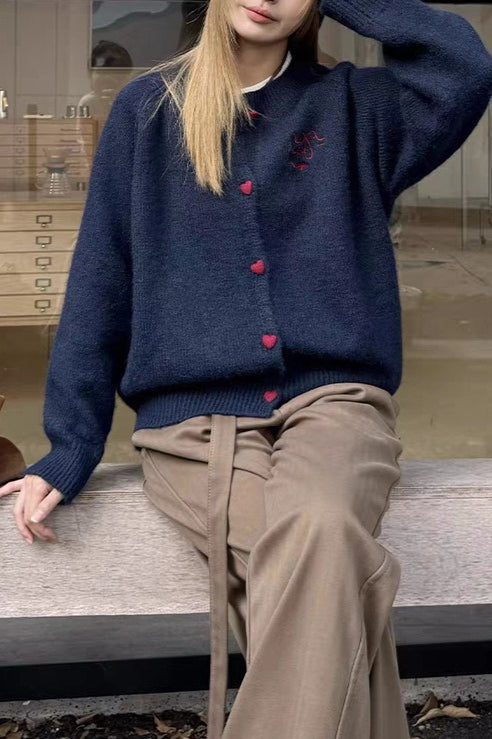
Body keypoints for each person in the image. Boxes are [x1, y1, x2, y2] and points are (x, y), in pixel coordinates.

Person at [2, 0, 492, 736]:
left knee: (322, 526)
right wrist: (71, 443)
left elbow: (462, 64)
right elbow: (103, 276)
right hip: (190, 426)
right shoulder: (149, 110)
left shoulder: (355, 107)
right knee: (325, 578)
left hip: (335, 402)